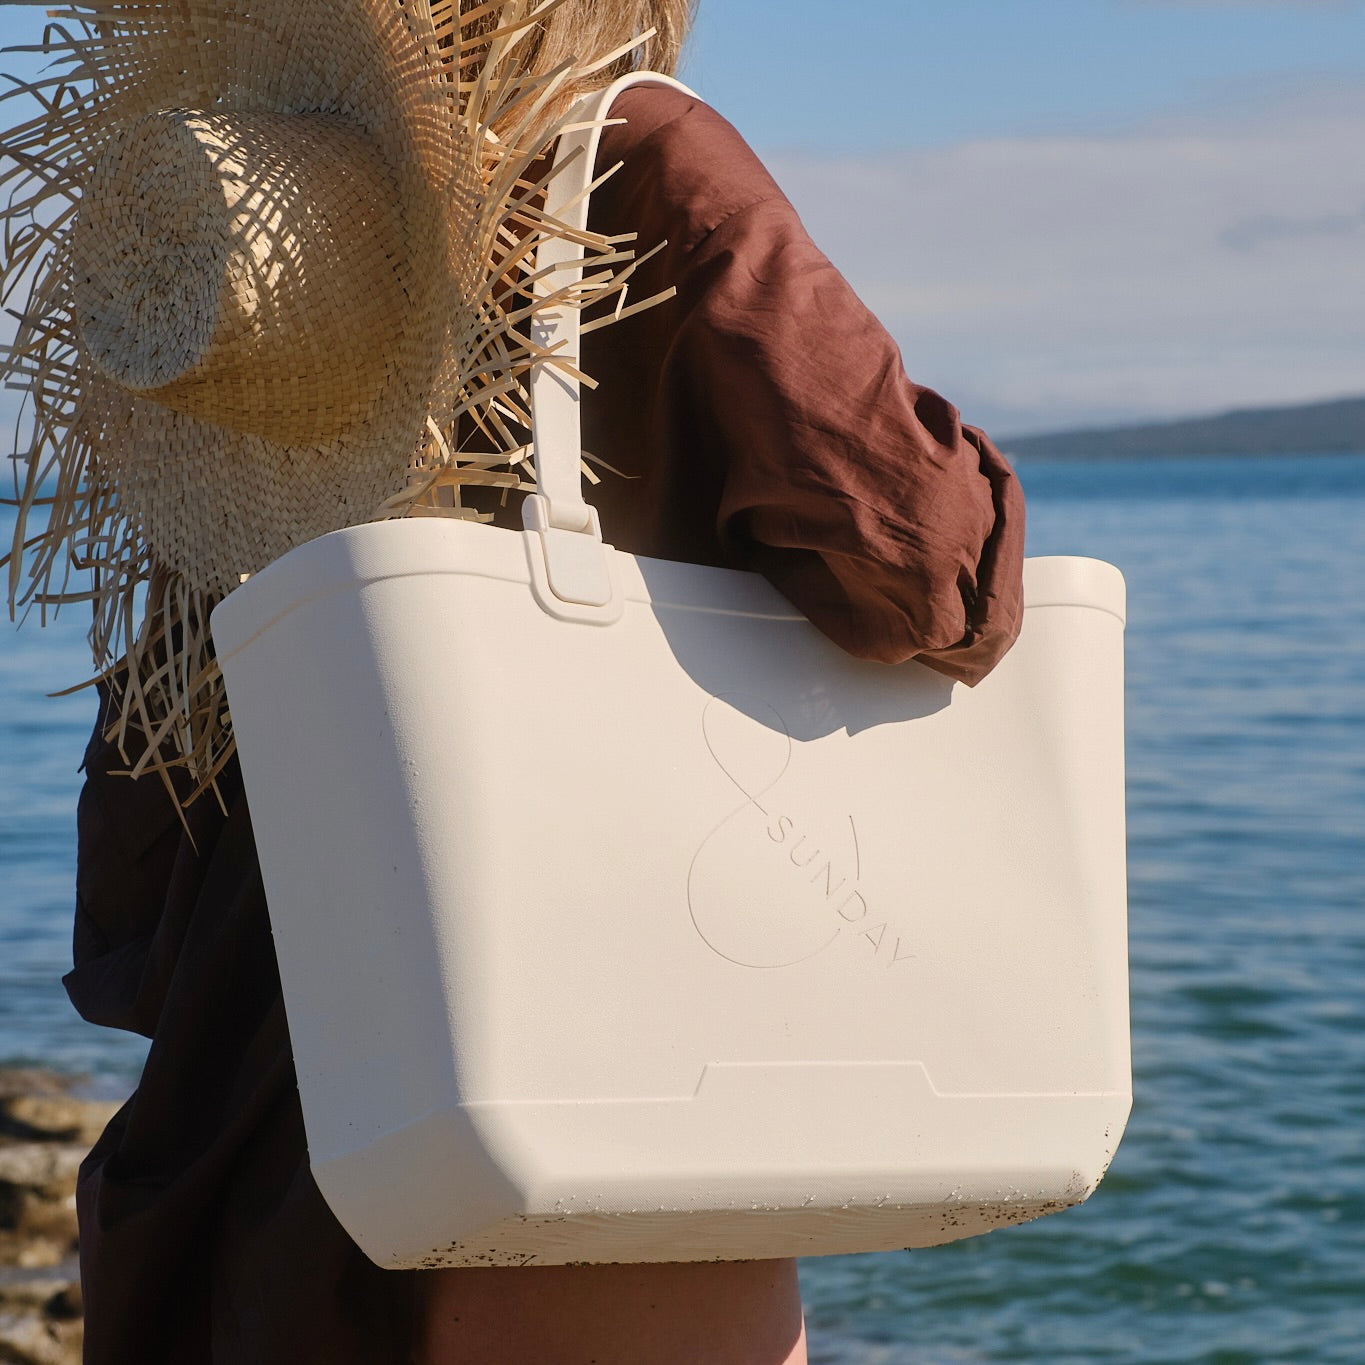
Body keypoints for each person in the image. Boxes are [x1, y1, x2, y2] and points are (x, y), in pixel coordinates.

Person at [65, 3, 1024, 1362]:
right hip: (562, 1189)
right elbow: (924, 567)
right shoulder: (630, 156)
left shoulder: (260, 208)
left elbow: (126, 915)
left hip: (252, 1181)